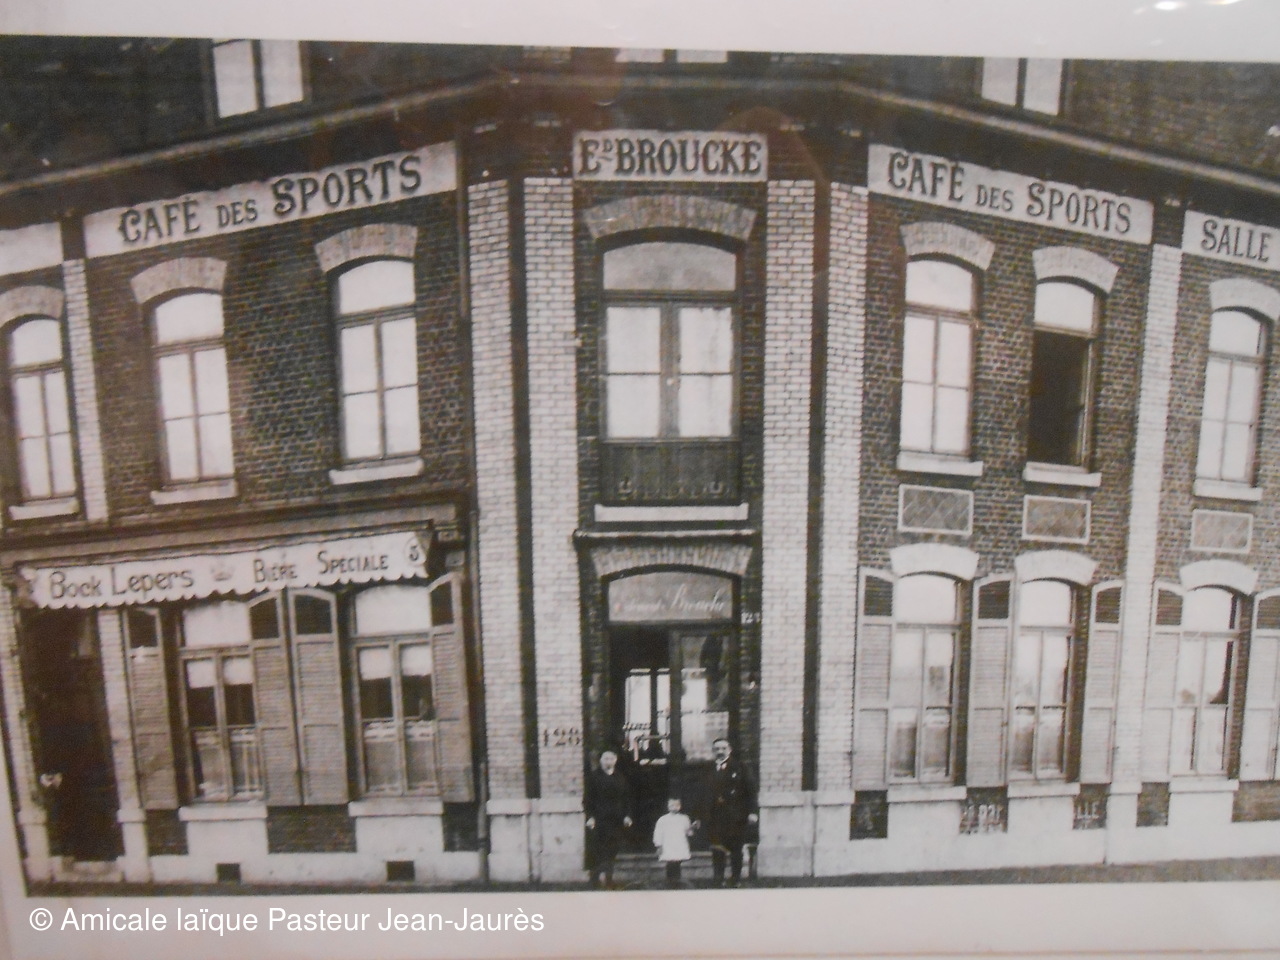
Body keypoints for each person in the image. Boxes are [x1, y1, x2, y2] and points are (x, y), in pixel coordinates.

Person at [706, 737, 757, 887]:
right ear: (713, 751)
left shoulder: (740, 767)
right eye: (717, 749)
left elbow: (751, 791)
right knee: (717, 848)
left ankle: (735, 878)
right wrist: (699, 816)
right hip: (715, 816)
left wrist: (752, 812)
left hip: (736, 815)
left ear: (729, 750)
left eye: (723, 748)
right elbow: (702, 794)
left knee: (736, 848)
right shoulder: (708, 769)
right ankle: (718, 878)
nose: (720, 752)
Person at [584, 749, 632, 889]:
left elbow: (626, 798)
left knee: (612, 849)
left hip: (616, 819)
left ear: (615, 760)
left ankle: (609, 880)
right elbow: (587, 799)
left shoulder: (620, 777)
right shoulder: (594, 777)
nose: (608, 761)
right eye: (605, 759)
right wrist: (590, 817)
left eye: (611, 758)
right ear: (601, 760)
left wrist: (627, 815)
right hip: (598, 819)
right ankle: (594, 880)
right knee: (598, 849)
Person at [652, 796, 694, 888]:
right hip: (668, 844)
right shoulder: (663, 819)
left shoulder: (684, 818)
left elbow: (688, 832)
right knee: (670, 863)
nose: (674, 807)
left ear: (680, 806)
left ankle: (677, 882)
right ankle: (670, 882)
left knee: (677, 862)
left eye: (677, 805)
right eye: (672, 805)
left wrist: (692, 827)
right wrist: (658, 845)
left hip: (679, 843)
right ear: (668, 806)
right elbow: (658, 833)